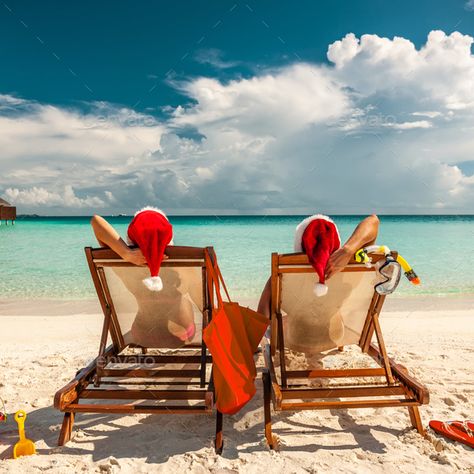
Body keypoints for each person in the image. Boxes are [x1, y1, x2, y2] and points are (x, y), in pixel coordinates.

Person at [90, 207, 196, 346]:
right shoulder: (185, 266)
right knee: (185, 300)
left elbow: (96, 221)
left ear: (130, 239)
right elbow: (205, 305)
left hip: (143, 336)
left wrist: (127, 253)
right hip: (181, 336)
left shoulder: (121, 264)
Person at [257, 214, 380, 317]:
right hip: (336, 337)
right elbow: (373, 221)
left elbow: (262, 319)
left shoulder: (282, 277)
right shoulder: (347, 273)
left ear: (299, 246)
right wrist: (347, 251)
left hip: (295, 339)